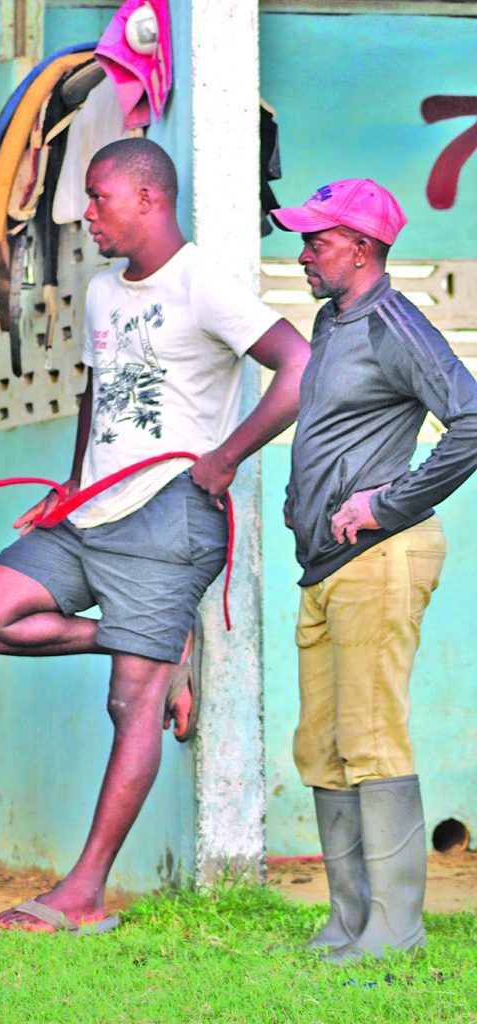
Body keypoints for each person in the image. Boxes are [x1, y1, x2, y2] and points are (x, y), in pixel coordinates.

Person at [0, 138, 310, 934]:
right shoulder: (105, 291)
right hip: (94, 513)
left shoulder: (203, 283)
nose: (87, 213)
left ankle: (83, 893)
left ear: (149, 198)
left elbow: (298, 365)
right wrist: (71, 485)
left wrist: (224, 459)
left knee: (129, 701)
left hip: (171, 515)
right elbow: (94, 392)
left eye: (99, 196)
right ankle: (156, 645)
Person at [271, 180, 477, 962]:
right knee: (322, 746)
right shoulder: (333, 322)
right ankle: (350, 922)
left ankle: (395, 930)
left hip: (381, 558)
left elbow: (472, 419)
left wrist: (389, 502)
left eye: (317, 242)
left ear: (361, 248)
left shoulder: (395, 323)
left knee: (372, 739)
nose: (303, 254)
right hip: (327, 568)